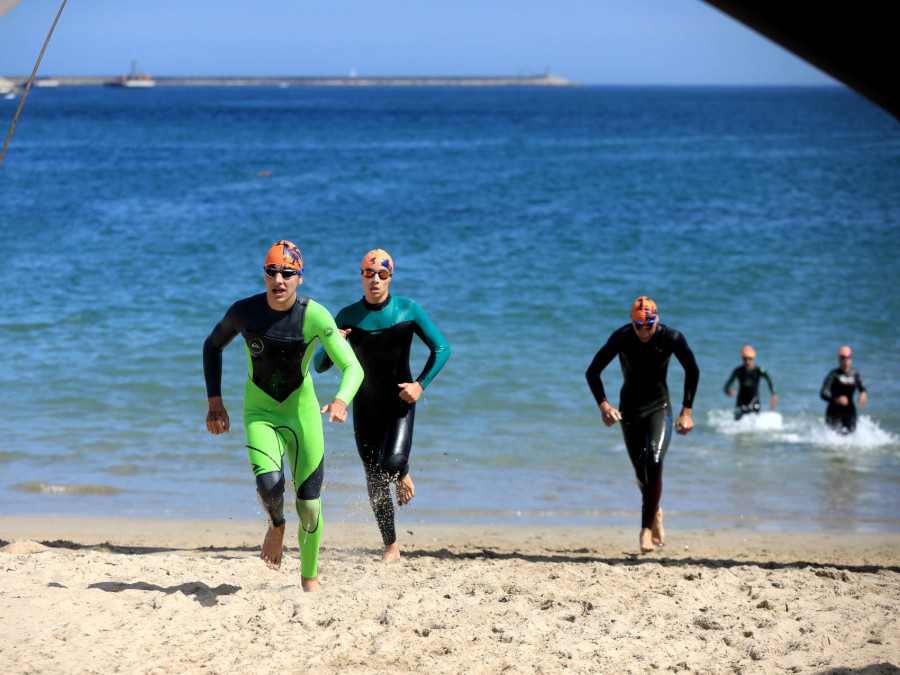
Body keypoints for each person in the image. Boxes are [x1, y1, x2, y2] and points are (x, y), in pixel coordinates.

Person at [203, 240, 363, 592]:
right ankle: (276, 525)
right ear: (264, 274)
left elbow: (351, 366)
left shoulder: (315, 315)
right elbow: (212, 345)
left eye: (287, 273)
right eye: (272, 271)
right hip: (259, 412)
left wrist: (340, 400)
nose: (279, 279)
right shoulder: (245, 312)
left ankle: (309, 578)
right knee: (270, 484)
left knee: (309, 504)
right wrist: (215, 401)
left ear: (299, 278)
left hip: (302, 414)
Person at [314, 248, 450, 562]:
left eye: (382, 274)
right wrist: (339, 340)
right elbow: (320, 364)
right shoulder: (348, 315)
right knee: (374, 477)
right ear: (361, 276)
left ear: (390, 277)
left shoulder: (408, 309)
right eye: (368, 274)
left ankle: (402, 471)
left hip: (400, 401)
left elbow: (442, 349)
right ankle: (391, 546)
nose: (375, 280)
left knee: (391, 464)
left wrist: (420, 385)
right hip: (365, 404)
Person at [585, 296, 700, 553]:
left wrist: (686, 412)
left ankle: (645, 530)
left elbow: (692, 370)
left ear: (656, 321)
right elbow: (593, 371)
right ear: (632, 323)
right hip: (630, 410)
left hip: (660, 407)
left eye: (649, 327)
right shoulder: (622, 337)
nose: (645, 332)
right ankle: (655, 512)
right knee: (641, 474)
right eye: (640, 327)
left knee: (655, 462)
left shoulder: (672, 338)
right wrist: (604, 406)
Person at [820, 345, 867, 434]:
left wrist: (863, 393)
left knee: (850, 440)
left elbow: (862, 388)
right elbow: (823, 394)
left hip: (850, 412)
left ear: (851, 359)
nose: (846, 360)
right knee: (833, 441)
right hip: (834, 412)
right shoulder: (833, 374)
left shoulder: (855, 374)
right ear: (839, 359)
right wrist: (836, 400)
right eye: (843, 358)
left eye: (848, 357)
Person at [723, 345, 777, 419]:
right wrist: (728, 391)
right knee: (737, 422)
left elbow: (770, 381)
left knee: (756, 421)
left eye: (750, 358)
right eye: (745, 359)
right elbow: (726, 386)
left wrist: (774, 395)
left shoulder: (760, 371)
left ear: (754, 359)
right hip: (741, 402)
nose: (747, 361)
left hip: (755, 402)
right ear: (742, 359)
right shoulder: (738, 371)